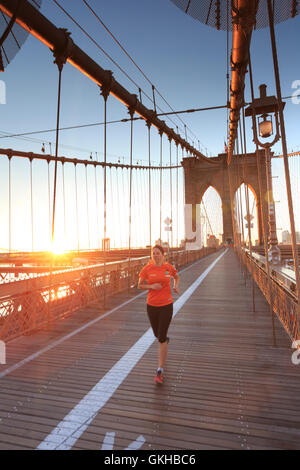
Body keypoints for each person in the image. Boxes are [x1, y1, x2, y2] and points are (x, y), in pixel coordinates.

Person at [138, 245, 179, 384]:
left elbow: (176, 277)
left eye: (158, 253)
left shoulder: (168, 267)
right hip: (152, 307)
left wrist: (175, 286)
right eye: (153, 253)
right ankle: (164, 339)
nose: (155, 255)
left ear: (163, 255)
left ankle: (160, 370)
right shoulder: (147, 269)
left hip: (166, 305)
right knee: (157, 334)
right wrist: (151, 286)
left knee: (160, 338)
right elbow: (139, 285)